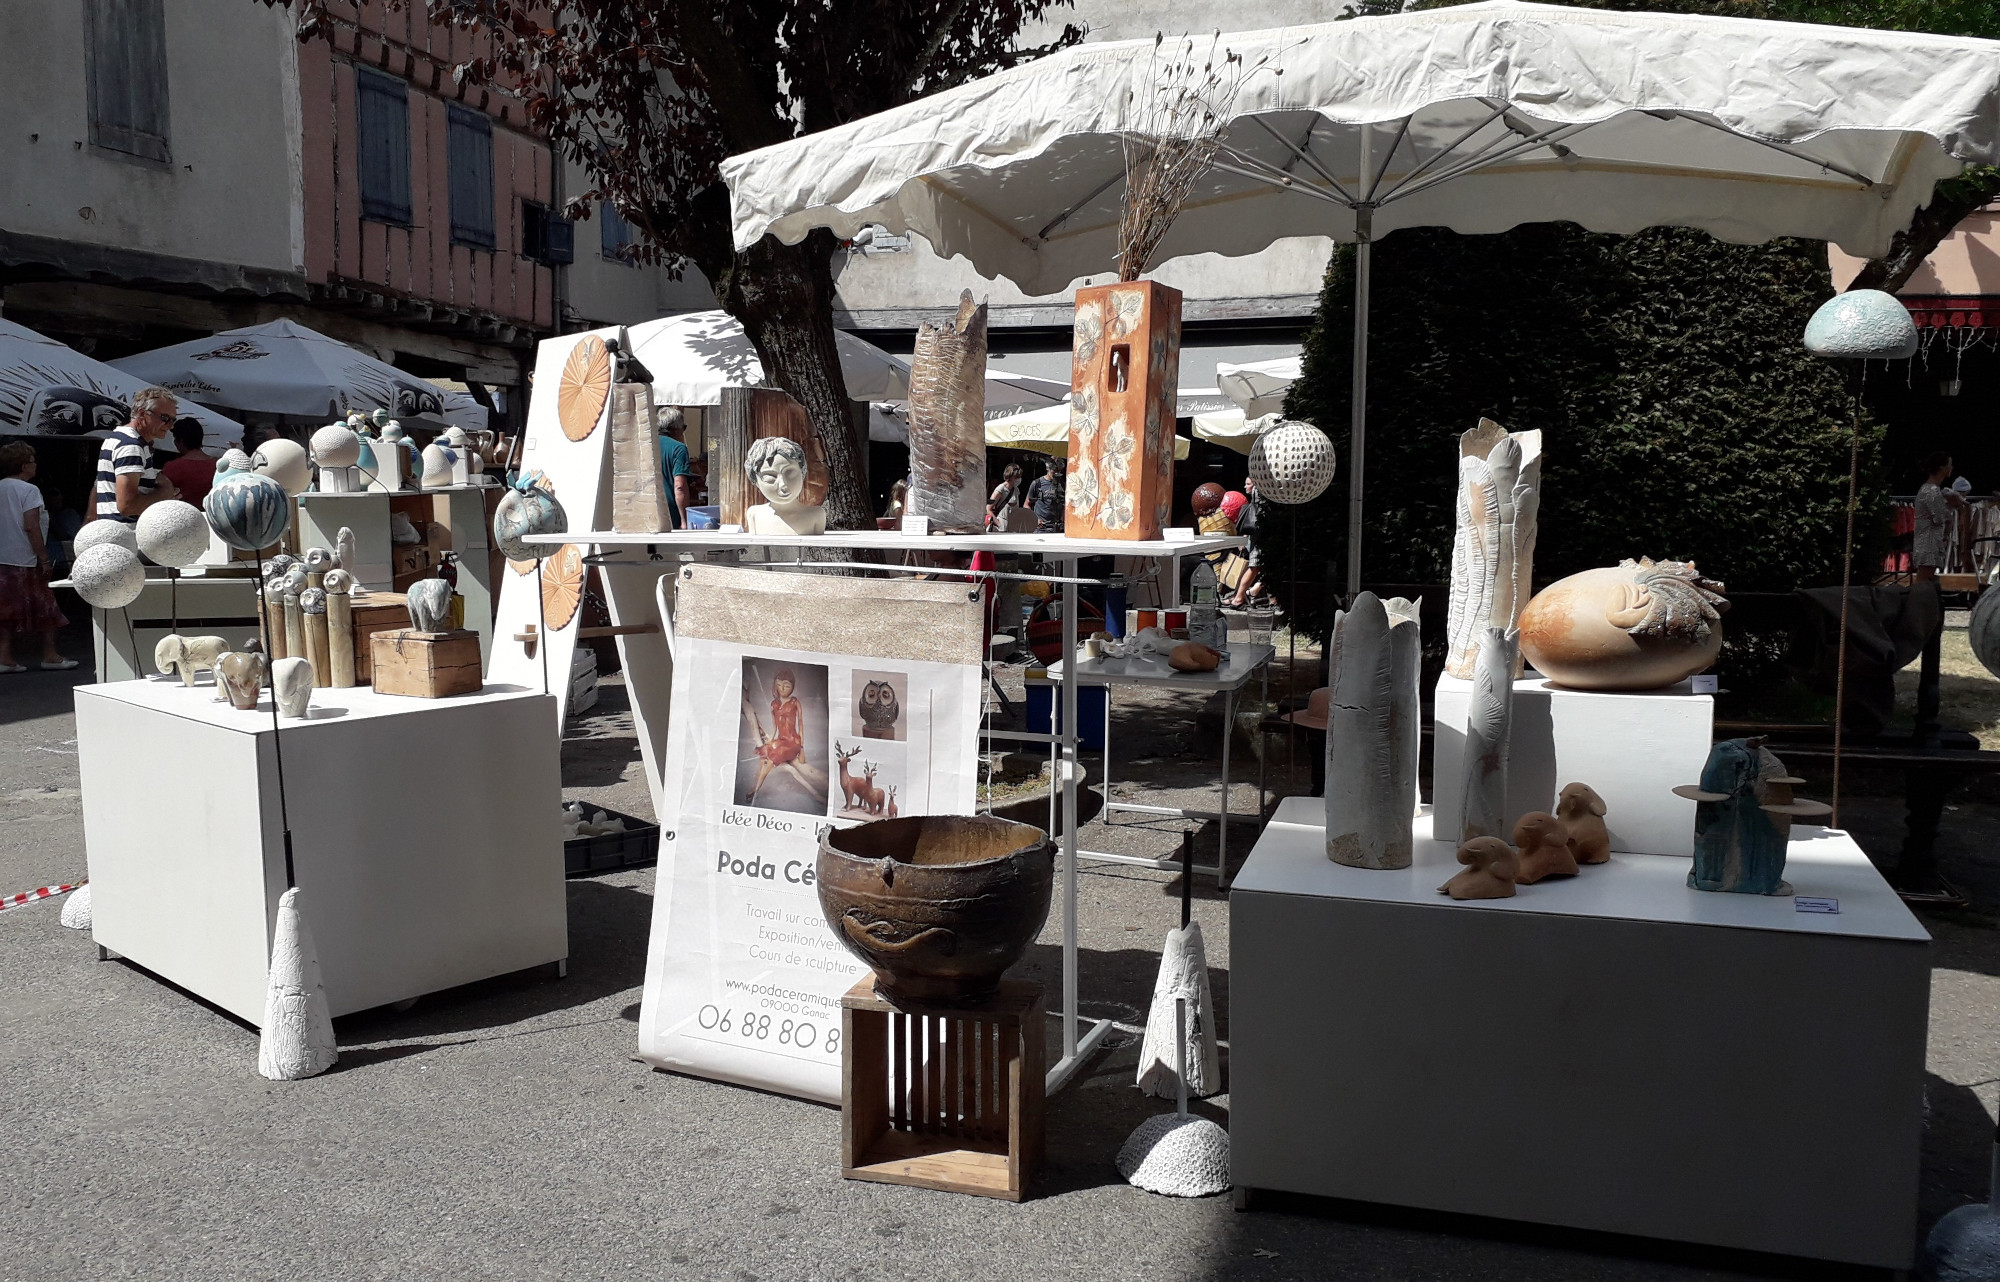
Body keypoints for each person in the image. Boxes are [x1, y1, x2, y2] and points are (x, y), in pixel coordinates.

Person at [0, 442, 74, 672]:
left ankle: (4, 657)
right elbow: (31, 526)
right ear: (24, 466)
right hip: (25, 557)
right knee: (46, 606)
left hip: (3, 557)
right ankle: (50, 654)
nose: (35, 465)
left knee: (6, 610)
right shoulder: (29, 491)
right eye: (33, 461)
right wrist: (43, 558)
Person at [95, 387, 180, 522]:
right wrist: (164, 494)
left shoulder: (118, 438)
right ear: (142, 414)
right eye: (165, 418)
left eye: (172, 420)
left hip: (114, 529)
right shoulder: (131, 446)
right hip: (126, 532)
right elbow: (127, 506)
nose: (170, 426)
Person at [1913, 452, 1968, 581]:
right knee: (1924, 582)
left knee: (1926, 581)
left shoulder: (1933, 490)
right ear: (1942, 468)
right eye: (1949, 465)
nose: (1951, 468)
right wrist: (1952, 505)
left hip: (1930, 542)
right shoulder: (1931, 490)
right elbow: (1940, 518)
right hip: (1928, 543)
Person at [158, 419, 218, 508]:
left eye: (175, 439)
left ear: (181, 441)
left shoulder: (172, 467)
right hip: (211, 518)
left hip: (181, 517)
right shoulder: (218, 465)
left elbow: (160, 496)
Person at [656, 407, 693, 529]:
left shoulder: (645, 445)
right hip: (670, 515)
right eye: (684, 427)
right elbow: (680, 486)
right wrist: (684, 520)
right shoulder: (678, 448)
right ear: (676, 428)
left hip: (645, 511)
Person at [1027, 458, 1066, 533]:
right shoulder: (1037, 483)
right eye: (1054, 470)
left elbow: (1064, 504)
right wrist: (1035, 519)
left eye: (1059, 471)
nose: (1056, 473)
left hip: (1056, 528)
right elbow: (1026, 504)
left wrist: (1062, 519)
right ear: (1048, 469)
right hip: (1041, 528)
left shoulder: (1061, 485)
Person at [987, 463, 1024, 530]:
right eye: (1016, 477)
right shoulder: (1001, 489)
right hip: (1002, 525)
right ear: (1010, 476)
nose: (1018, 479)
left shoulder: (1016, 490)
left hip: (1014, 525)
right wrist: (998, 524)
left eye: (1019, 477)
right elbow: (988, 509)